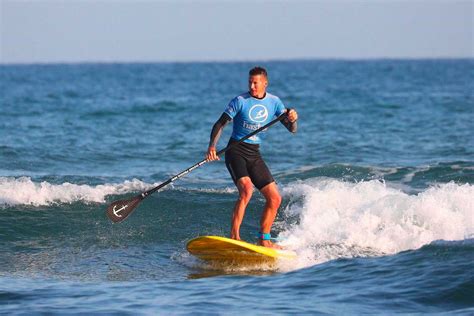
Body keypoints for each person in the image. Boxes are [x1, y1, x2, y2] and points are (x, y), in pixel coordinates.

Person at [206, 66, 298, 249]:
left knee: (275, 198)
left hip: (254, 154)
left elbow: (292, 129)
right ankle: (235, 236)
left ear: (265, 83)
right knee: (246, 190)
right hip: (235, 151)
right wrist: (212, 147)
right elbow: (220, 123)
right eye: (250, 82)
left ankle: (264, 238)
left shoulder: (274, 102)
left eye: (256, 83)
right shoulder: (240, 101)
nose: (252, 86)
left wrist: (293, 118)